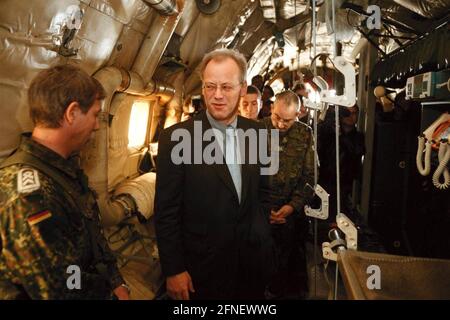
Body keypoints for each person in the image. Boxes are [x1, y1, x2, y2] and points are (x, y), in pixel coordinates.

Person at [0, 65, 129, 300]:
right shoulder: (29, 196)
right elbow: (64, 285)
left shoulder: (63, 170)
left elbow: (92, 233)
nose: (97, 125)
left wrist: (116, 281)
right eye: (94, 115)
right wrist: (109, 294)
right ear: (72, 113)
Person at [155, 49, 274, 300]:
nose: (217, 95)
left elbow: (263, 193)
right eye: (210, 86)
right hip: (201, 272)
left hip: (250, 267)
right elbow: (166, 212)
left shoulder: (259, 133)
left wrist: (260, 236)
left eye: (227, 87)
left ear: (243, 88)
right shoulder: (176, 139)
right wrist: (173, 269)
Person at [260, 90, 315, 299]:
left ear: (298, 114)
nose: (281, 125)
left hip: (288, 212)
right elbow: (244, 175)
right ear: (272, 107)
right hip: (258, 210)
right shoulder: (256, 129)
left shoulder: (305, 134)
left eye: (288, 121)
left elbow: (310, 177)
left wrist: (293, 206)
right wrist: (262, 209)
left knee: (284, 266)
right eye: (277, 118)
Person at [317, 104, 365, 224]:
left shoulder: (358, 138)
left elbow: (354, 150)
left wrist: (340, 134)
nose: (350, 116)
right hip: (324, 182)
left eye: (353, 113)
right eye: (346, 112)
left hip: (345, 186)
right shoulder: (329, 134)